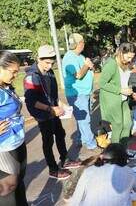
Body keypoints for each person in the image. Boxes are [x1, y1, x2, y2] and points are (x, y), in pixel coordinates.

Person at [24, 45, 80, 180]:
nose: (49, 66)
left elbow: (53, 95)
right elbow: (32, 102)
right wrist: (50, 109)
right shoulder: (31, 76)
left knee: (60, 134)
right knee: (48, 141)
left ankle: (65, 160)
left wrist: (61, 105)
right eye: (47, 63)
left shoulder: (50, 72)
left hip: (53, 111)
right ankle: (53, 169)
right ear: (39, 59)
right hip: (43, 114)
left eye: (52, 63)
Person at [71, 143, 136, 205]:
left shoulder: (89, 171)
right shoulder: (128, 171)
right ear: (124, 160)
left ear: (103, 156)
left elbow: (75, 202)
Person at [0, 51, 27, 205]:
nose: (16, 75)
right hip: (4, 147)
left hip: (17, 142)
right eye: (13, 72)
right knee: (7, 189)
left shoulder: (6, 87)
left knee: (19, 184)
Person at [62, 33, 97, 150]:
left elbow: (87, 69)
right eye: (82, 42)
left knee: (81, 119)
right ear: (79, 44)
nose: (84, 44)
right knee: (84, 120)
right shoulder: (69, 58)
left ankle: (79, 139)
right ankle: (91, 143)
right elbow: (78, 75)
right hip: (77, 94)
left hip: (84, 93)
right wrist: (87, 65)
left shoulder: (79, 56)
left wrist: (90, 66)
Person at [99, 43, 135, 147]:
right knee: (118, 125)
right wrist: (120, 90)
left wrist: (130, 90)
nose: (129, 60)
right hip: (113, 99)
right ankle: (115, 152)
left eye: (131, 57)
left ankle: (122, 150)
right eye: (128, 57)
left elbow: (123, 80)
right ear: (120, 52)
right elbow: (102, 83)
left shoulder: (125, 64)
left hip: (123, 98)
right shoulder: (111, 64)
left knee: (128, 124)